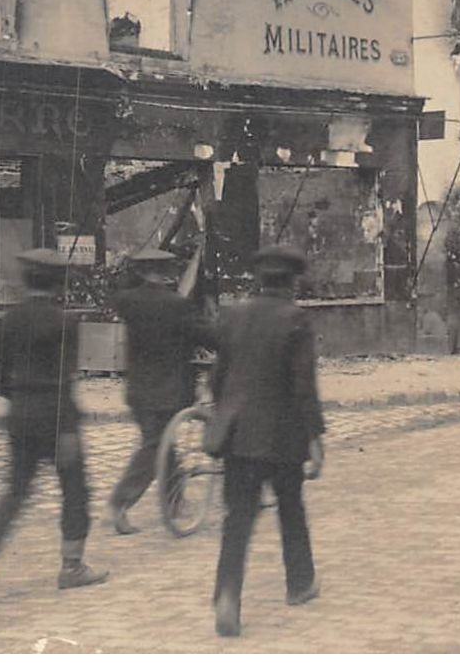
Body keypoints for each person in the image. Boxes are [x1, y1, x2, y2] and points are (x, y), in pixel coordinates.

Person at [0, 248, 108, 610]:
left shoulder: (9, 320)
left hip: (20, 414)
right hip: (57, 418)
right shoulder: (65, 323)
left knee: (14, 494)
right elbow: (64, 380)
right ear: (59, 283)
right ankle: (71, 566)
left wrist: (19, 396)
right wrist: (68, 427)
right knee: (75, 489)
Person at [210, 244, 326, 638]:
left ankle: (227, 596)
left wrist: (222, 415)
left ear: (258, 279)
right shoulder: (297, 320)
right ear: (292, 282)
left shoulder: (233, 315)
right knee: (290, 508)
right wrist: (315, 438)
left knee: (237, 518)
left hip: (239, 434)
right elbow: (303, 386)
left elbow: (217, 377)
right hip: (283, 435)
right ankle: (300, 583)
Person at [108, 248, 215, 535]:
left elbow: (116, 293)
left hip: (138, 390)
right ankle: (121, 501)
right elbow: (207, 335)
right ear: (167, 272)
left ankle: (175, 501)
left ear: (140, 272)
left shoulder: (128, 302)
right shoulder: (176, 305)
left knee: (163, 444)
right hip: (168, 390)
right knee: (156, 446)